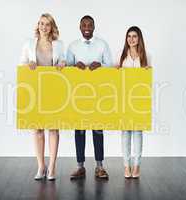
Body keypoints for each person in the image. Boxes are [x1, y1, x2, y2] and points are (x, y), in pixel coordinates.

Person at [19, 13, 65, 181]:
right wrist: (28, 65)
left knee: (53, 128)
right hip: (35, 91)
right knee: (37, 129)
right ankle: (41, 166)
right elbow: (21, 65)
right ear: (38, 25)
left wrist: (62, 63)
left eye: (47, 24)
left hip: (53, 90)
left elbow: (63, 61)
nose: (44, 27)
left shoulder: (58, 45)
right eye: (41, 24)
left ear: (52, 27)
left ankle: (52, 167)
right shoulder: (29, 44)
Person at [66, 15, 113, 179]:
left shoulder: (102, 45)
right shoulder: (73, 46)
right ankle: (80, 166)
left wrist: (101, 65)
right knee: (79, 130)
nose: (87, 27)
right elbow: (65, 70)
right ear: (80, 27)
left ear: (94, 27)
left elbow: (111, 67)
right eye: (84, 24)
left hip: (98, 95)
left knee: (98, 130)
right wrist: (73, 66)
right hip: (78, 96)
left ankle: (100, 166)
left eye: (90, 25)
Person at [116, 26, 151, 179]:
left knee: (137, 132)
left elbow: (147, 79)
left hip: (139, 100)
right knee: (125, 133)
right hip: (124, 99)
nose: (131, 39)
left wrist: (148, 70)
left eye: (134, 36)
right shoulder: (121, 55)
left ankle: (136, 166)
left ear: (139, 38)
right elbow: (114, 78)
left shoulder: (146, 55)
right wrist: (116, 70)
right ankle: (126, 166)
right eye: (129, 36)